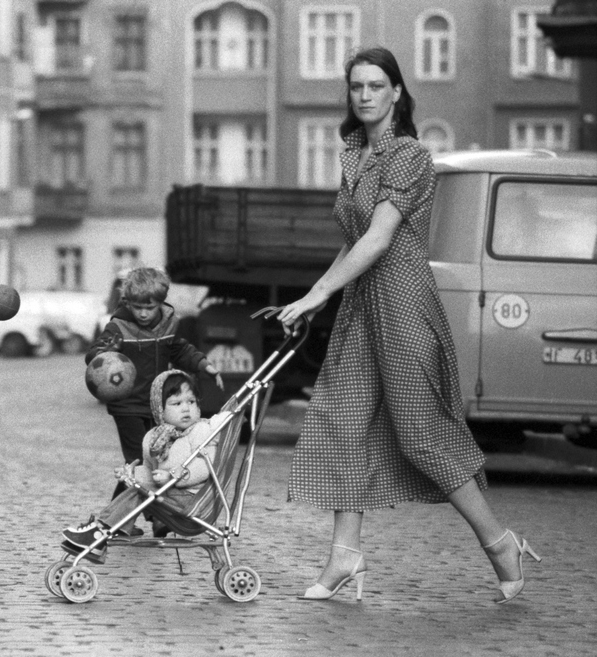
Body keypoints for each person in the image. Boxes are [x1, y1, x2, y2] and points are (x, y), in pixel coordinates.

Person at [276, 46, 539, 604]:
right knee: (343, 421)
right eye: (356, 86)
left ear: (397, 92)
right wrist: (316, 297)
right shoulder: (353, 154)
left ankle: (501, 543)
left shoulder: (408, 154)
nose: (366, 95)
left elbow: (380, 236)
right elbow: (353, 238)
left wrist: (323, 288)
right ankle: (345, 555)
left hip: (402, 301)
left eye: (376, 85)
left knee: (422, 434)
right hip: (361, 305)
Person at [87, 268, 224, 523]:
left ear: (161, 302)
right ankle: (123, 521)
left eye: (149, 307)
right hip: (126, 405)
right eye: (137, 307)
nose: (142, 313)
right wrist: (103, 354)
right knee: (138, 463)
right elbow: (96, 354)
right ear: (127, 302)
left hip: (157, 406)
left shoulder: (170, 323)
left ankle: (140, 518)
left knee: (153, 463)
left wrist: (204, 364)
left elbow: (180, 350)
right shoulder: (118, 326)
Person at [61, 370, 230, 563]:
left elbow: (205, 466)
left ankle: (100, 531)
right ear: (160, 410)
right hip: (173, 498)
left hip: (192, 500)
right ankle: (101, 530)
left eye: (191, 402)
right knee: (137, 486)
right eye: (177, 403)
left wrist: (175, 477)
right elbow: (150, 472)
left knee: (141, 491)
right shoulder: (156, 437)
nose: (186, 409)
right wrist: (132, 474)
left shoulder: (201, 431)